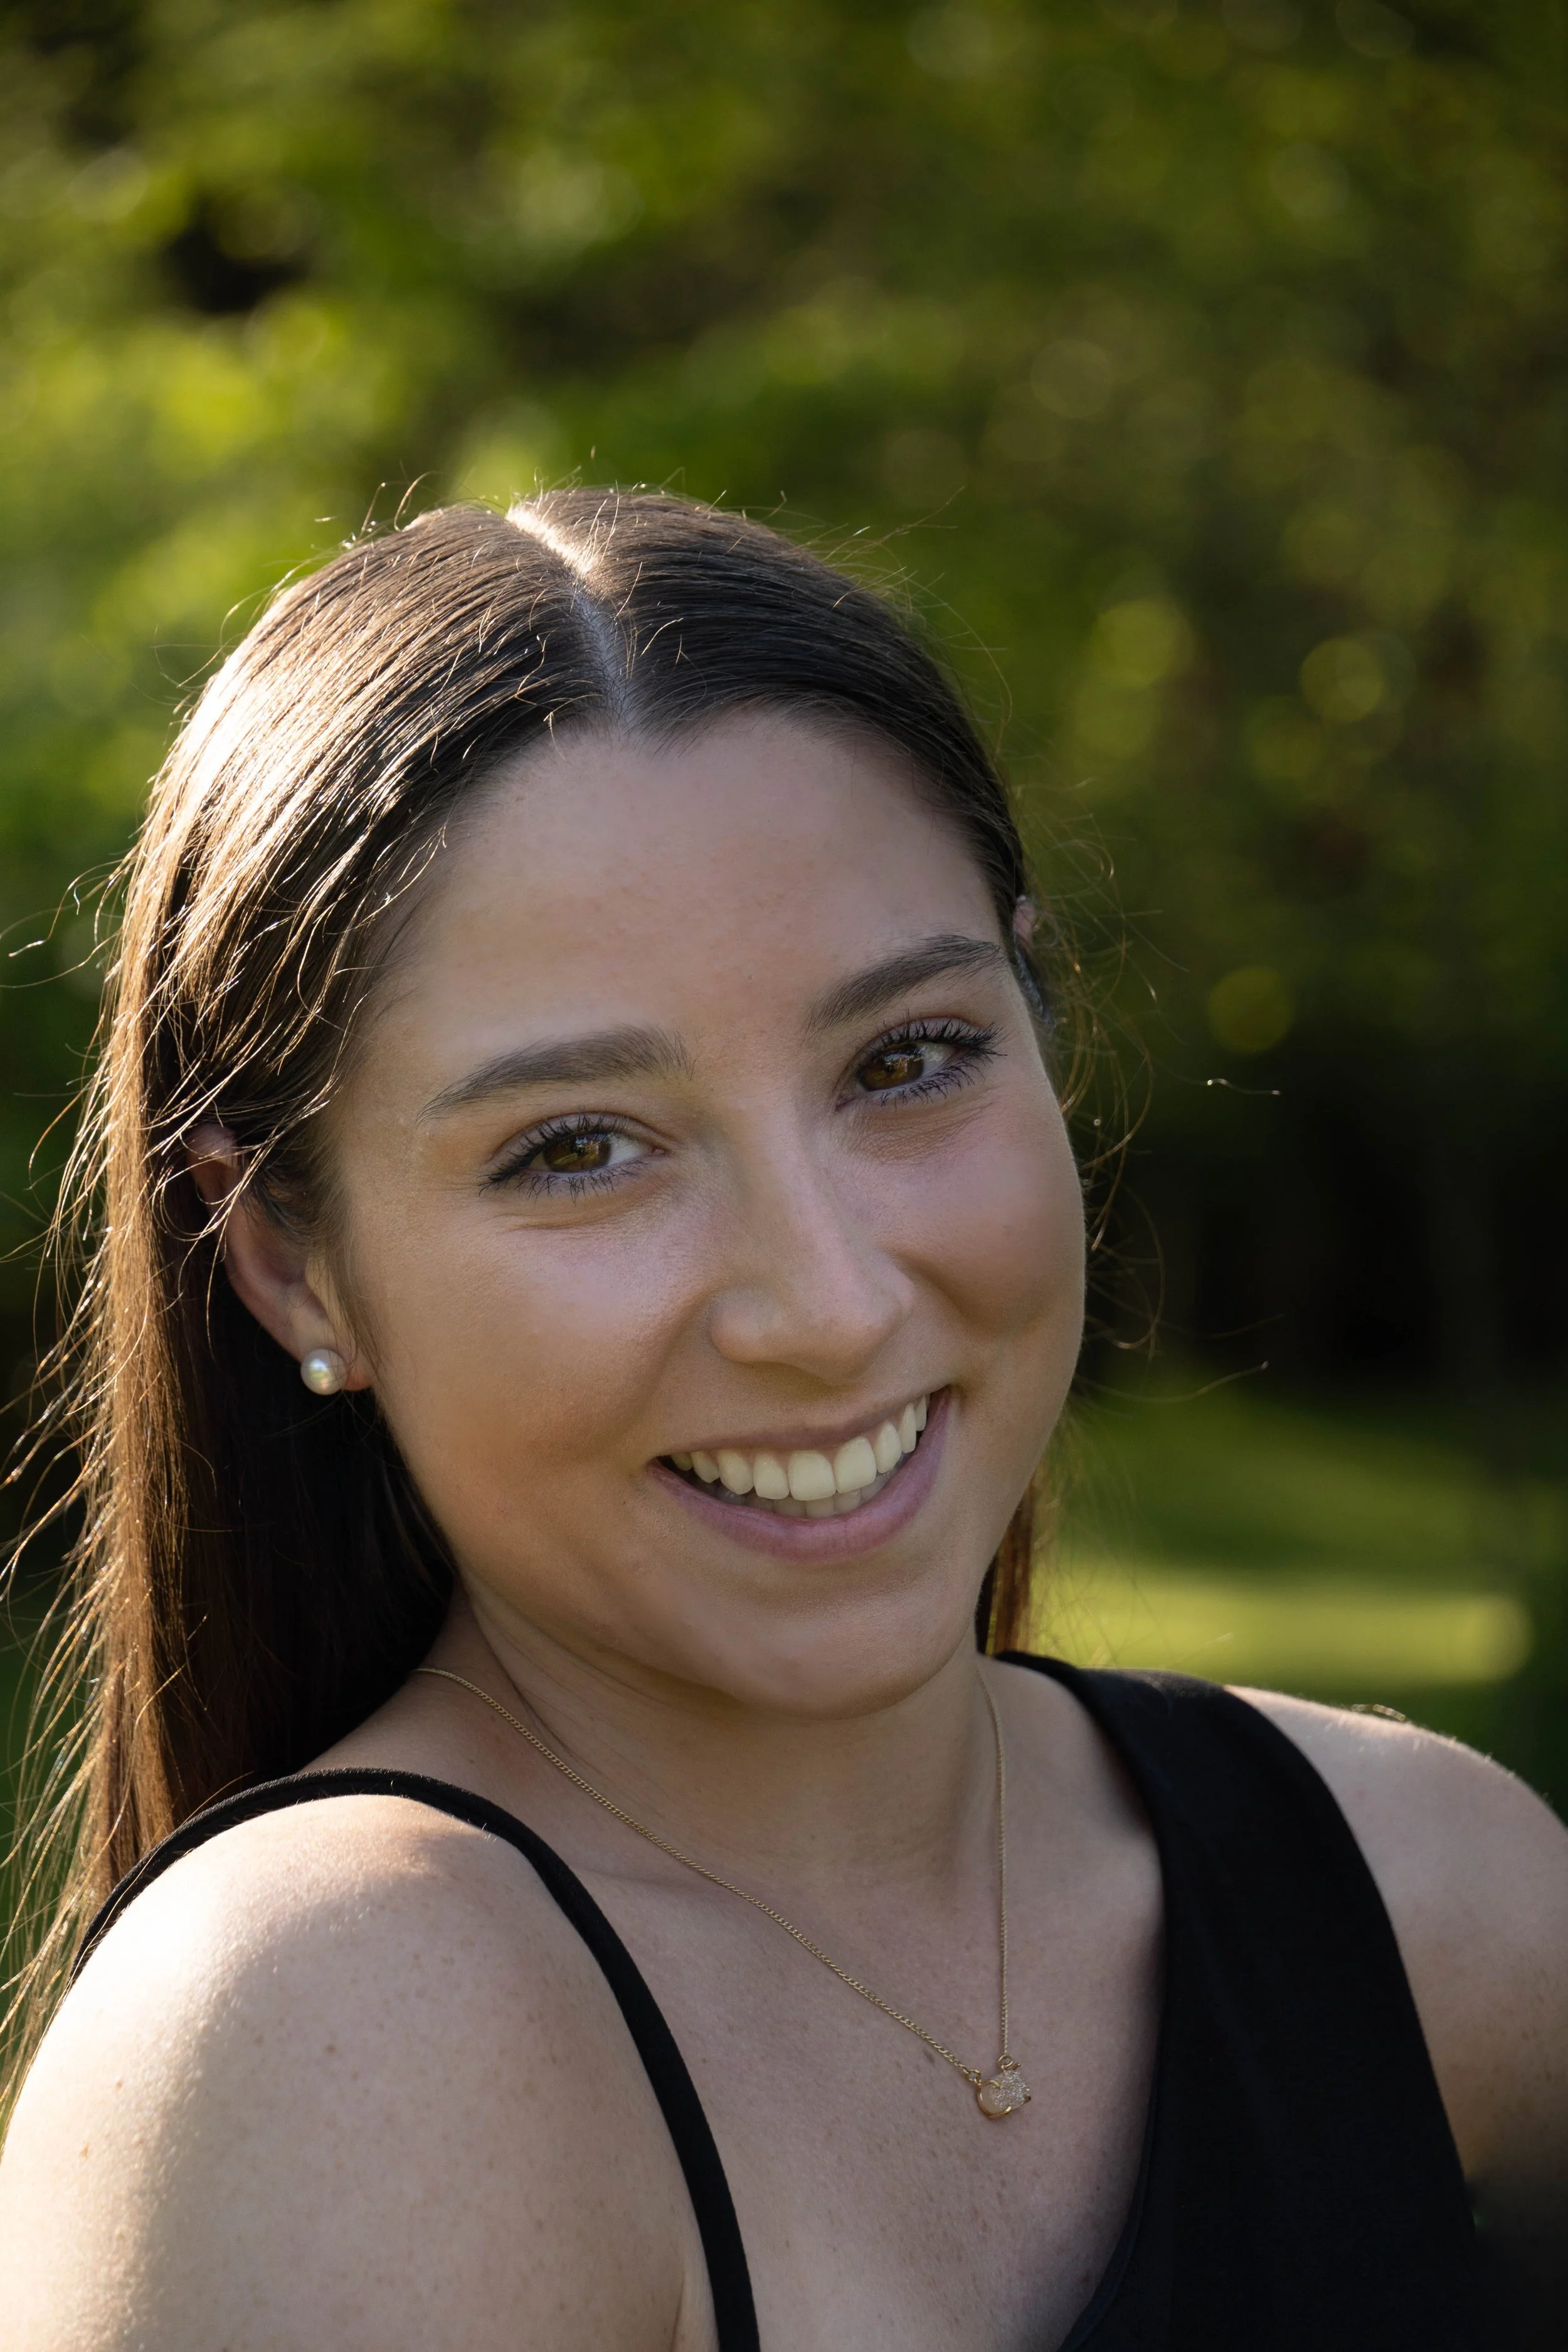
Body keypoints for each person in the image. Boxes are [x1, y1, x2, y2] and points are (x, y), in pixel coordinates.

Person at [0, 491, 1562, 2352]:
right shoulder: (343, 2026)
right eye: (576, 1148)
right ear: (288, 1259)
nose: (826, 1304)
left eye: (906, 1058)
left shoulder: (1427, 1898)